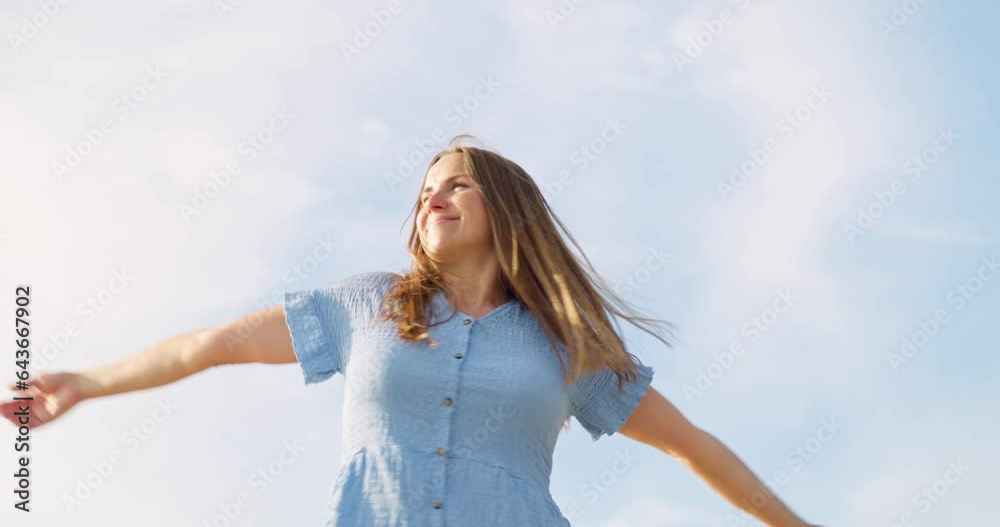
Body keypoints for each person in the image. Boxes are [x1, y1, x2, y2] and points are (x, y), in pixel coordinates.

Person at [3, 136, 821, 526]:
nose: (434, 196)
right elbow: (210, 346)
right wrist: (87, 381)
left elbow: (692, 443)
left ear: (509, 210)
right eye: (428, 187)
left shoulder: (567, 342)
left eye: (459, 183)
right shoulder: (365, 305)